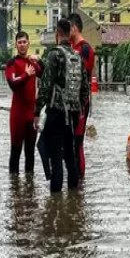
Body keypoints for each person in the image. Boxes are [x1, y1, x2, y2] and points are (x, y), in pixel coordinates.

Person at [34, 18, 84, 193]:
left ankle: (55, 202)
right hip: (73, 113)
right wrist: (79, 112)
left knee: (55, 157)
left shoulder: (54, 54)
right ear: (70, 33)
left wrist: (36, 111)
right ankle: (73, 200)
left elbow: (45, 85)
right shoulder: (78, 57)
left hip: (56, 113)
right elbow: (85, 90)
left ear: (57, 33)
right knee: (70, 156)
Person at [5, 31, 44, 174]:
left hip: (31, 114)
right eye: (19, 42)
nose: (22, 45)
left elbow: (45, 75)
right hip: (17, 115)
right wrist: (26, 75)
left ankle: (30, 189)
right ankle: (14, 188)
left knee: (30, 153)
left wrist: (39, 60)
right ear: (16, 45)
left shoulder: (32, 62)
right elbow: (13, 84)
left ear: (29, 44)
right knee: (15, 152)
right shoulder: (12, 63)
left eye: (24, 42)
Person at [67, 13, 95, 180]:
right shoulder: (70, 47)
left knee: (77, 143)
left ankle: (79, 184)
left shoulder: (85, 49)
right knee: (68, 143)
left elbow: (79, 74)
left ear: (74, 28)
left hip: (80, 103)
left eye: (67, 28)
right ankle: (72, 181)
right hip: (68, 104)